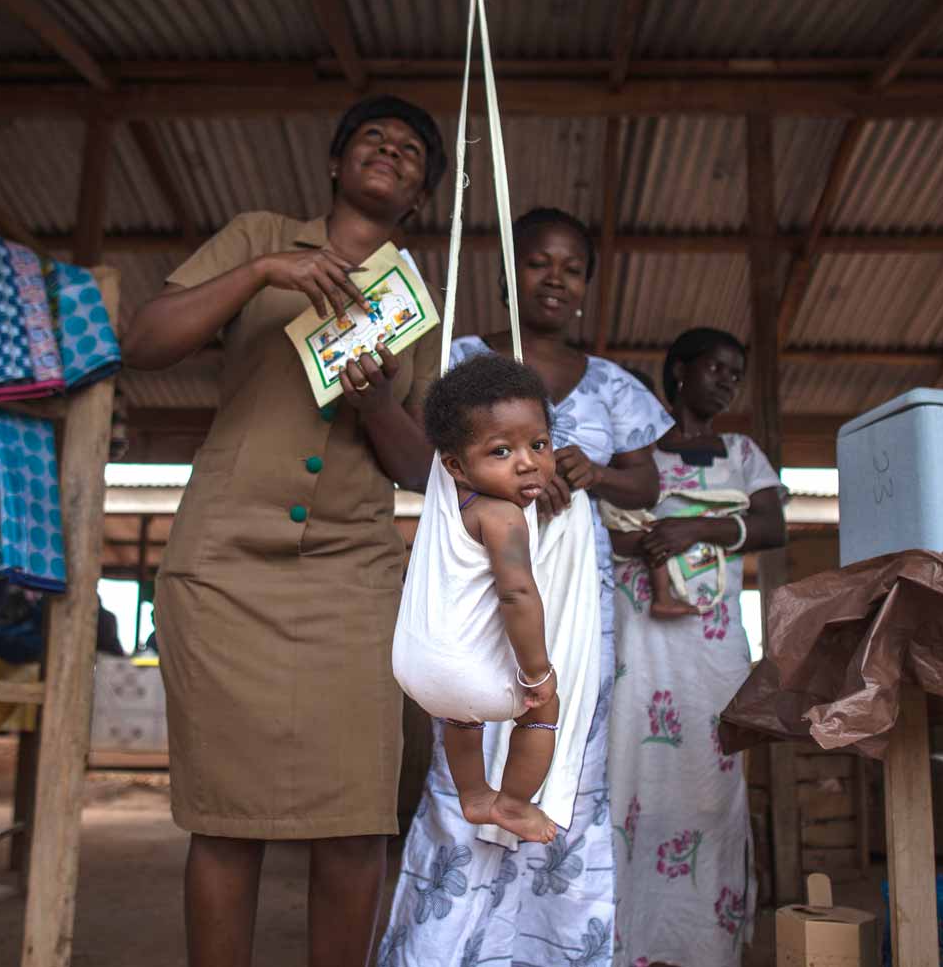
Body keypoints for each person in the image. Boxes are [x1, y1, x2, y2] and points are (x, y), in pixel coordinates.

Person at [119, 95, 446, 967]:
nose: (390, 150)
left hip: (352, 576)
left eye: (412, 150)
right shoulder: (259, 234)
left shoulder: (418, 302)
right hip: (225, 564)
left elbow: (422, 470)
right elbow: (144, 341)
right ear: (337, 164)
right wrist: (261, 273)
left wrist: (378, 400)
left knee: (355, 823)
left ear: (417, 198)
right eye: (373, 138)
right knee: (227, 823)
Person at [382, 207, 671, 965]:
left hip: (576, 605)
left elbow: (649, 481)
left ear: (586, 286)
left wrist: (597, 471)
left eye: (572, 267)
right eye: (540, 262)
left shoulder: (611, 384)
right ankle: (448, 948)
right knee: (466, 759)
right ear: (514, 275)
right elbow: (423, 462)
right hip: (481, 598)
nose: (555, 277)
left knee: (565, 757)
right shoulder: (463, 358)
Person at [607, 327, 787, 967]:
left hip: (710, 649)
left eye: (737, 373)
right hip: (640, 639)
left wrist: (696, 528)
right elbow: (604, 526)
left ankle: (702, 945)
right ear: (679, 370)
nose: (728, 380)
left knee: (711, 780)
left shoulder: (742, 452)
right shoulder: (634, 450)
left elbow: (772, 525)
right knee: (629, 773)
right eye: (717, 367)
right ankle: (628, 941)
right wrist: (649, 541)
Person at [394, 354, 561, 845]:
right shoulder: (502, 516)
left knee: (460, 719)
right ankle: (511, 802)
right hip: (470, 677)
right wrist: (538, 674)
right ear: (456, 466)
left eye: (539, 444)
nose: (529, 461)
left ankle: (472, 794)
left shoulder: (448, 503)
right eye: (501, 452)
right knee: (543, 710)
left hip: (419, 672)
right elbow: (517, 593)